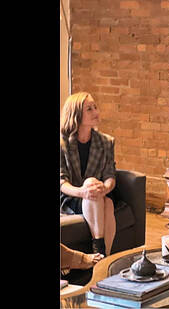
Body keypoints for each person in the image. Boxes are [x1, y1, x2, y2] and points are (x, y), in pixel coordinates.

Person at [60, 92, 117, 256]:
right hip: (70, 196)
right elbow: (61, 181)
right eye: (89, 109)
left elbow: (110, 175)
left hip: (96, 195)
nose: (96, 112)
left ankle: (101, 256)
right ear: (76, 114)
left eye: (95, 107)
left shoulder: (106, 142)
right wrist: (83, 191)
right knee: (92, 184)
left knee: (108, 202)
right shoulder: (62, 143)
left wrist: (105, 189)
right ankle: (102, 252)